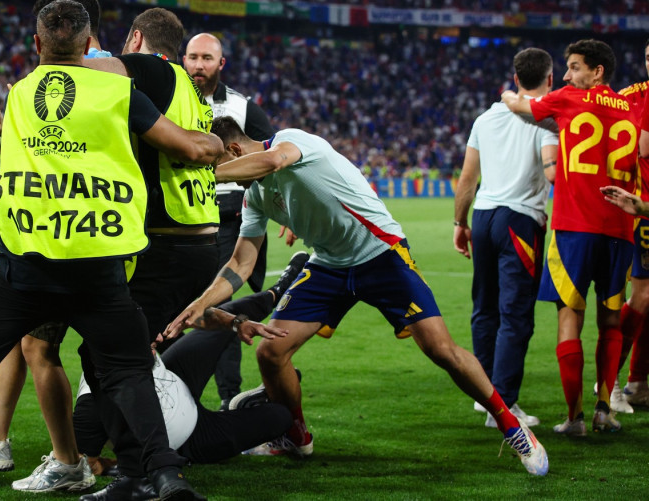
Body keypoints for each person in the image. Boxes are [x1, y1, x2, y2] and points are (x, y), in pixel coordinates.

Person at [0, 0, 220, 501]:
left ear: (37, 44)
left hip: (24, 264)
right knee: (127, 372)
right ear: (88, 45)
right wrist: (210, 144)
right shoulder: (117, 91)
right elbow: (186, 148)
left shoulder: (19, 94)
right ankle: (162, 476)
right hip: (97, 263)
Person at [166, 116, 549, 477]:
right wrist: (203, 302)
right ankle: (297, 437)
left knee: (440, 349)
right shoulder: (256, 198)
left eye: (214, 162)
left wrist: (204, 173)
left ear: (232, 151)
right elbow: (242, 262)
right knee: (271, 351)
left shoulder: (291, 141)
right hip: (329, 266)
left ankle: (512, 428)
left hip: (380, 253)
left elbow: (272, 161)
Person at [76, 252, 308, 501]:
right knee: (279, 417)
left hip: (175, 376)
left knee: (224, 317)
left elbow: (198, 318)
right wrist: (131, 467)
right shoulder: (92, 401)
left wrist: (236, 322)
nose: (154, 340)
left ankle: (277, 291)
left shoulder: (126, 324)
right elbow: (89, 463)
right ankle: (245, 406)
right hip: (190, 435)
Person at [502, 39, 641, 436]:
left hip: (574, 228)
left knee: (569, 319)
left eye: (575, 67)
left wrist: (509, 94)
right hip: (619, 230)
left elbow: (522, 107)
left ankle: (575, 418)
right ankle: (604, 410)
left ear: (597, 72)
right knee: (611, 319)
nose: (566, 75)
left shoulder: (568, 99)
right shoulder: (631, 110)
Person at [453, 48, 558, 429]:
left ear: (515, 79)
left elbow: (467, 178)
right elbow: (551, 173)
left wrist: (458, 223)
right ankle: (505, 405)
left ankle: (485, 396)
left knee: (485, 308)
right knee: (515, 315)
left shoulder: (486, 118)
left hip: (483, 217)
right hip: (519, 221)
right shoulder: (544, 121)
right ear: (550, 79)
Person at [183, 32, 276, 409]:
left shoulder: (241, 107)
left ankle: (227, 398)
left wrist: (283, 208)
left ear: (221, 64)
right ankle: (174, 394)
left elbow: (271, 153)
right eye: (193, 57)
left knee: (218, 302)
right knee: (179, 302)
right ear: (183, 59)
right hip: (179, 219)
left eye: (207, 58)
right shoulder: (168, 99)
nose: (199, 64)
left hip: (227, 217)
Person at [608, 39, 649, 411]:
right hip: (640, 211)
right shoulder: (632, 99)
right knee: (644, 296)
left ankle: (638, 381)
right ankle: (611, 381)